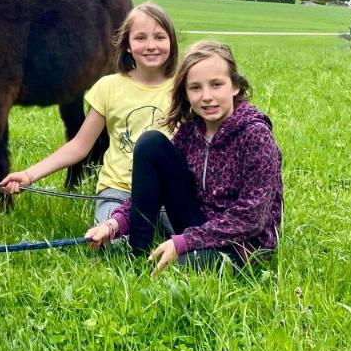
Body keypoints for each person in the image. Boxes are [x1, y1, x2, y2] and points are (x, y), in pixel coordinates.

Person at [86, 39, 282, 272]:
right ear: (186, 94)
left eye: (216, 85)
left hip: (243, 244)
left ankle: (168, 257)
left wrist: (184, 242)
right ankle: (137, 251)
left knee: (171, 269)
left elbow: (252, 218)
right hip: (198, 224)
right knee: (151, 144)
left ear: (235, 86)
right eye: (196, 88)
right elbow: (158, 181)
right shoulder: (192, 129)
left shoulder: (255, 136)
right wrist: (115, 223)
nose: (206, 96)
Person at [0, 2, 178, 228]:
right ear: (128, 45)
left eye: (160, 37)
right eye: (140, 38)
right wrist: (29, 174)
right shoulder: (108, 87)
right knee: (112, 244)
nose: (151, 45)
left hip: (170, 191)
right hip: (119, 191)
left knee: (192, 240)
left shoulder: (185, 87)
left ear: (171, 41)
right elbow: (80, 145)